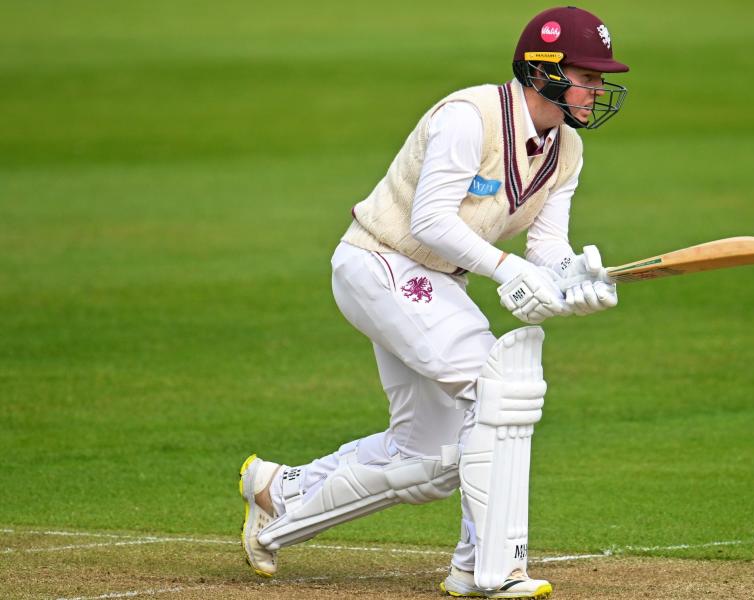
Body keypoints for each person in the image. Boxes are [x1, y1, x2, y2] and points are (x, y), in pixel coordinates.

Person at [239, 6, 629, 599]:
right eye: (588, 75)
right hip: (381, 261)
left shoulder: (566, 150)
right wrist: (508, 270)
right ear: (542, 70)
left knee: (433, 457)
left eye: (600, 78)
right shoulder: (468, 116)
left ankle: (280, 494)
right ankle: (486, 567)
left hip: (437, 281)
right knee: (498, 387)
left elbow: (547, 247)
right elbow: (428, 220)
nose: (597, 89)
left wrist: (576, 279)